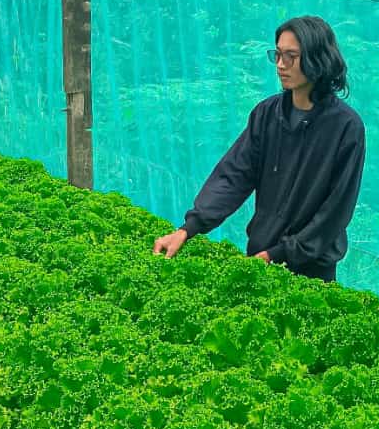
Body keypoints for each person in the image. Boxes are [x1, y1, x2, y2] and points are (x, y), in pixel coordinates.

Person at [152, 16, 365, 282]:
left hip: (312, 271)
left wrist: (278, 254)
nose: (280, 65)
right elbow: (233, 176)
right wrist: (187, 230)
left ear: (317, 59)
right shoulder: (266, 115)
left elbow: (334, 212)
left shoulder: (345, 127)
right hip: (260, 257)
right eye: (277, 54)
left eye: (291, 56)